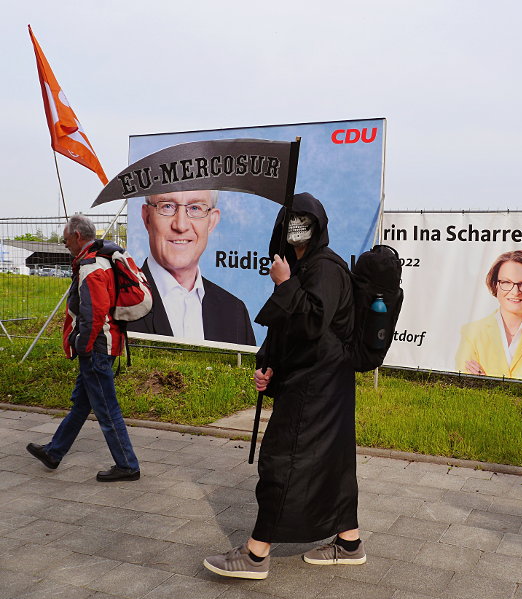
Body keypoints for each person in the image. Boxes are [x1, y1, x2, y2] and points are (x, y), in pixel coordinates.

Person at [203, 192, 363, 579]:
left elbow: (312, 324)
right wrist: (268, 366)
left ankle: (255, 555)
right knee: (332, 464)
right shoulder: (302, 267)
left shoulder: (325, 268)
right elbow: (287, 330)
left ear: (318, 226)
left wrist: (286, 284)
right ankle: (349, 543)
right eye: (290, 223)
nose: (295, 231)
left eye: (303, 223)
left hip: (316, 387)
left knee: (282, 461)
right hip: (320, 385)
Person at [26, 214, 140, 482]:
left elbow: (94, 313)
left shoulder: (90, 266)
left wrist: (83, 346)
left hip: (96, 347)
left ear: (78, 236)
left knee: (106, 408)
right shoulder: (99, 259)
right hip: (103, 343)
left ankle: (128, 465)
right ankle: (54, 452)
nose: (65, 245)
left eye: (66, 241)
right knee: (81, 403)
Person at [128, 190, 256, 344]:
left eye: (195, 208)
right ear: (147, 217)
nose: (181, 225)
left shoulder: (235, 312)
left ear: (212, 221)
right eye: (167, 206)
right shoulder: (113, 305)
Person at [455, 250, 522, 382]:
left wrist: (487, 383)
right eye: (506, 282)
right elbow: (465, 391)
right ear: (496, 285)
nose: (515, 292)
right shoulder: (471, 333)